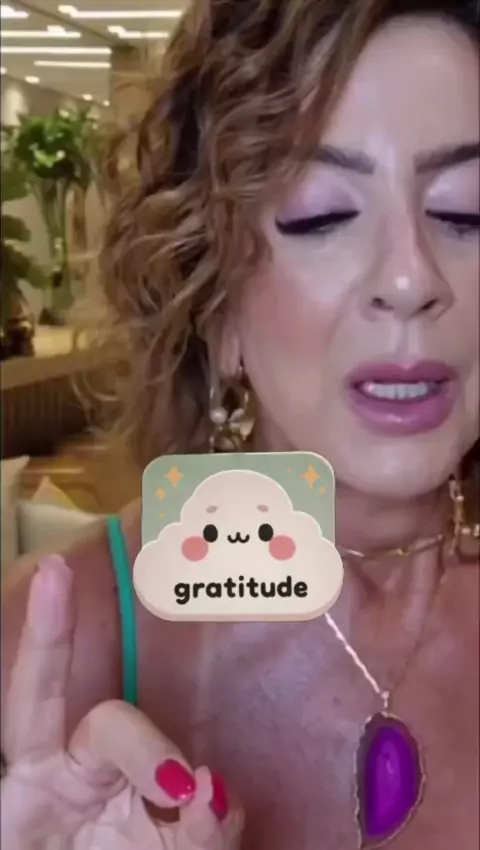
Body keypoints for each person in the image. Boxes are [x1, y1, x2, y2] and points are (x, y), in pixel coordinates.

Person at [2, 0, 479, 847]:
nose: (411, 280)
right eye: (322, 214)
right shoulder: (55, 641)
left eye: (466, 211)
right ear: (213, 296)